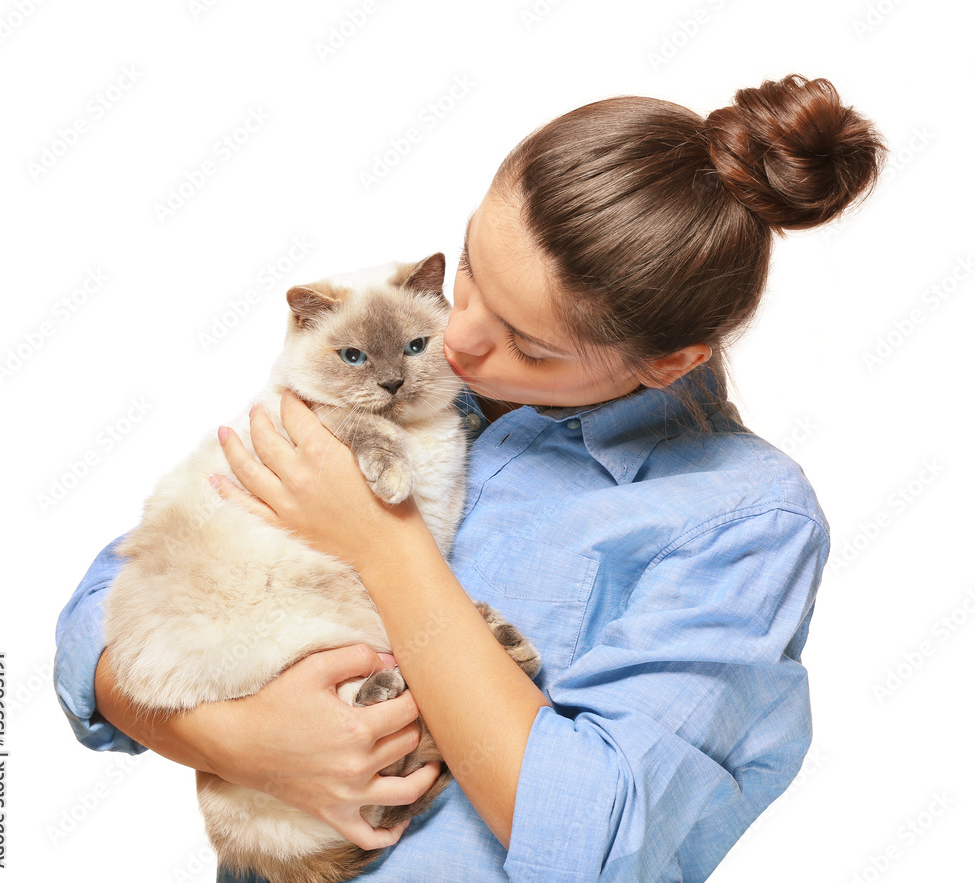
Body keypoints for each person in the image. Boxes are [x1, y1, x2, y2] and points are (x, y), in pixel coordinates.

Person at [55, 74, 885, 882]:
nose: (462, 342)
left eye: (531, 346)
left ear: (670, 362)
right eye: (472, 274)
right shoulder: (399, 370)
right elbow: (99, 618)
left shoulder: (744, 519)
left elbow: (594, 840)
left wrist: (384, 546)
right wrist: (239, 739)